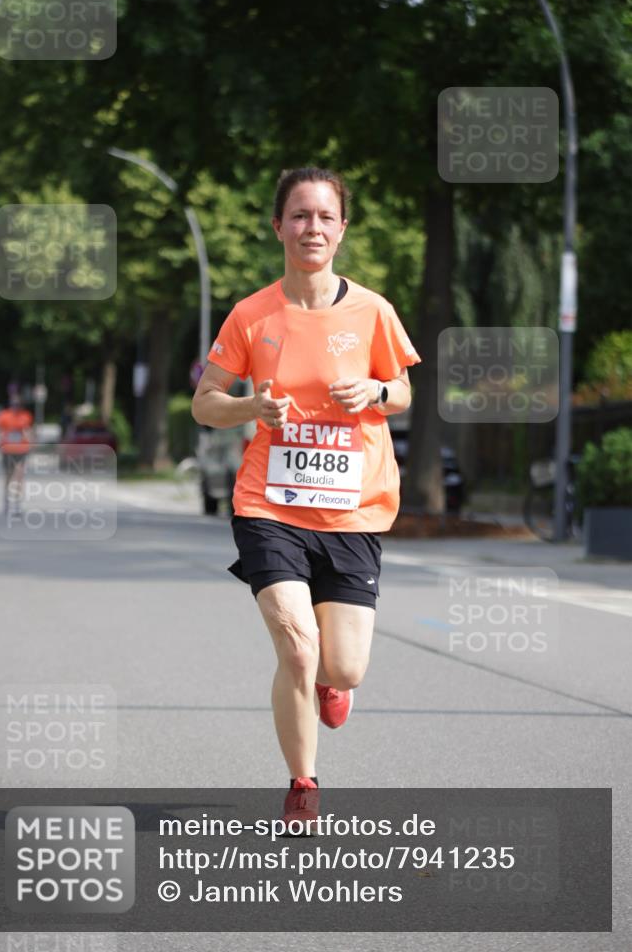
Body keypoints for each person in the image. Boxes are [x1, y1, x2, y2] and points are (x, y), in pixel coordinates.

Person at [192, 167, 421, 828]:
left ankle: (330, 683)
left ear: (341, 229)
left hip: (351, 508)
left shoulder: (372, 311)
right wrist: (250, 407)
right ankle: (302, 783)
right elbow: (206, 404)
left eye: (324, 216)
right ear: (278, 227)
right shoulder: (251, 315)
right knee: (295, 642)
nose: (311, 227)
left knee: (343, 668)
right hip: (269, 504)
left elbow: (402, 391)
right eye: (299, 215)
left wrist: (375, 394)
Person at [0, 394, 34, 515]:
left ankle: (17, 505)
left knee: (19, 477)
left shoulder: (26, 415)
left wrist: (32, 442)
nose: (16, 407)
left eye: (18, 405)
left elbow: (29, 430)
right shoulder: (4, 415)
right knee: (8, 477)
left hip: (21, 450)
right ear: (10, 405)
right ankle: (6, 503)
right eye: (13, 404)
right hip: (7, 450)